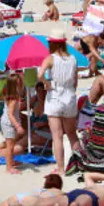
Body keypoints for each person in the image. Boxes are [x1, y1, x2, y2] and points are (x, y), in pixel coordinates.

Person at [39, 28, 80, 178]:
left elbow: (40, 74)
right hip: (69, 97)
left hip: (55, 97)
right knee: (71, 134)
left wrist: (46, 84)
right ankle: (80, 163)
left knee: (57, 136)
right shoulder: (73, 59)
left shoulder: (50, 58)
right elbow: (75, 81)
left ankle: (61, 168)